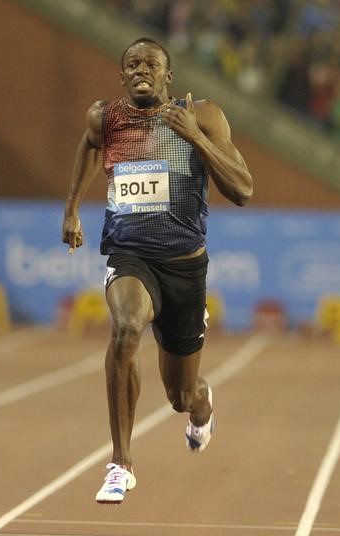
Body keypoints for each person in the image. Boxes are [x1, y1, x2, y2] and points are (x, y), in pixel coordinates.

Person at [62, 37, 253, 504]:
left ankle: (200, 407)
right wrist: (72, 208)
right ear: (122, 75)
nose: (141, 68)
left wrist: (196, 137)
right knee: (125, 329)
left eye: (152, 63)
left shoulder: (203, 115)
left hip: (186, 269)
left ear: (169, 75)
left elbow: (243, 189)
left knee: (180, 397)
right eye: (132, 63)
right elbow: (90, 146)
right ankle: (120, 464)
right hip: (131, 257)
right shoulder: (105, 117)